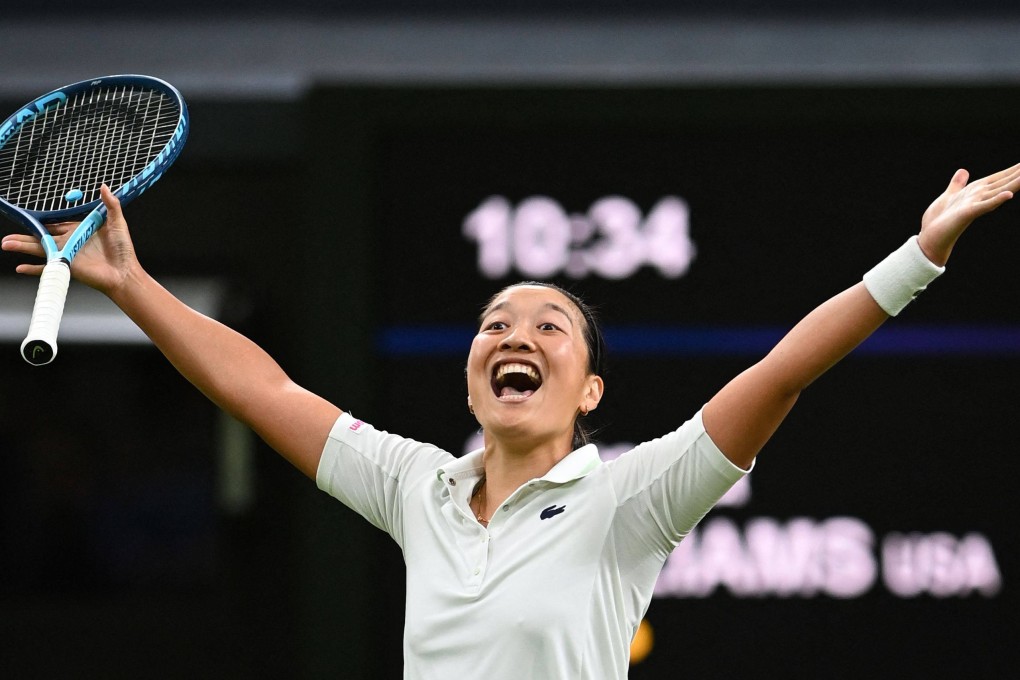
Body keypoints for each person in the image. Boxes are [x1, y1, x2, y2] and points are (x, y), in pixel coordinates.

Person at [3, 163, 1019, 678]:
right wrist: (132, 286)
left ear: (589, 392)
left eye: (548, 324)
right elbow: (261, 390)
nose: (511, 333)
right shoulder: (416, 486)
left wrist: (919, 255)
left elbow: (785, 367)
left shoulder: (634, 498)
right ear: (473, 372)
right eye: (494, 321)